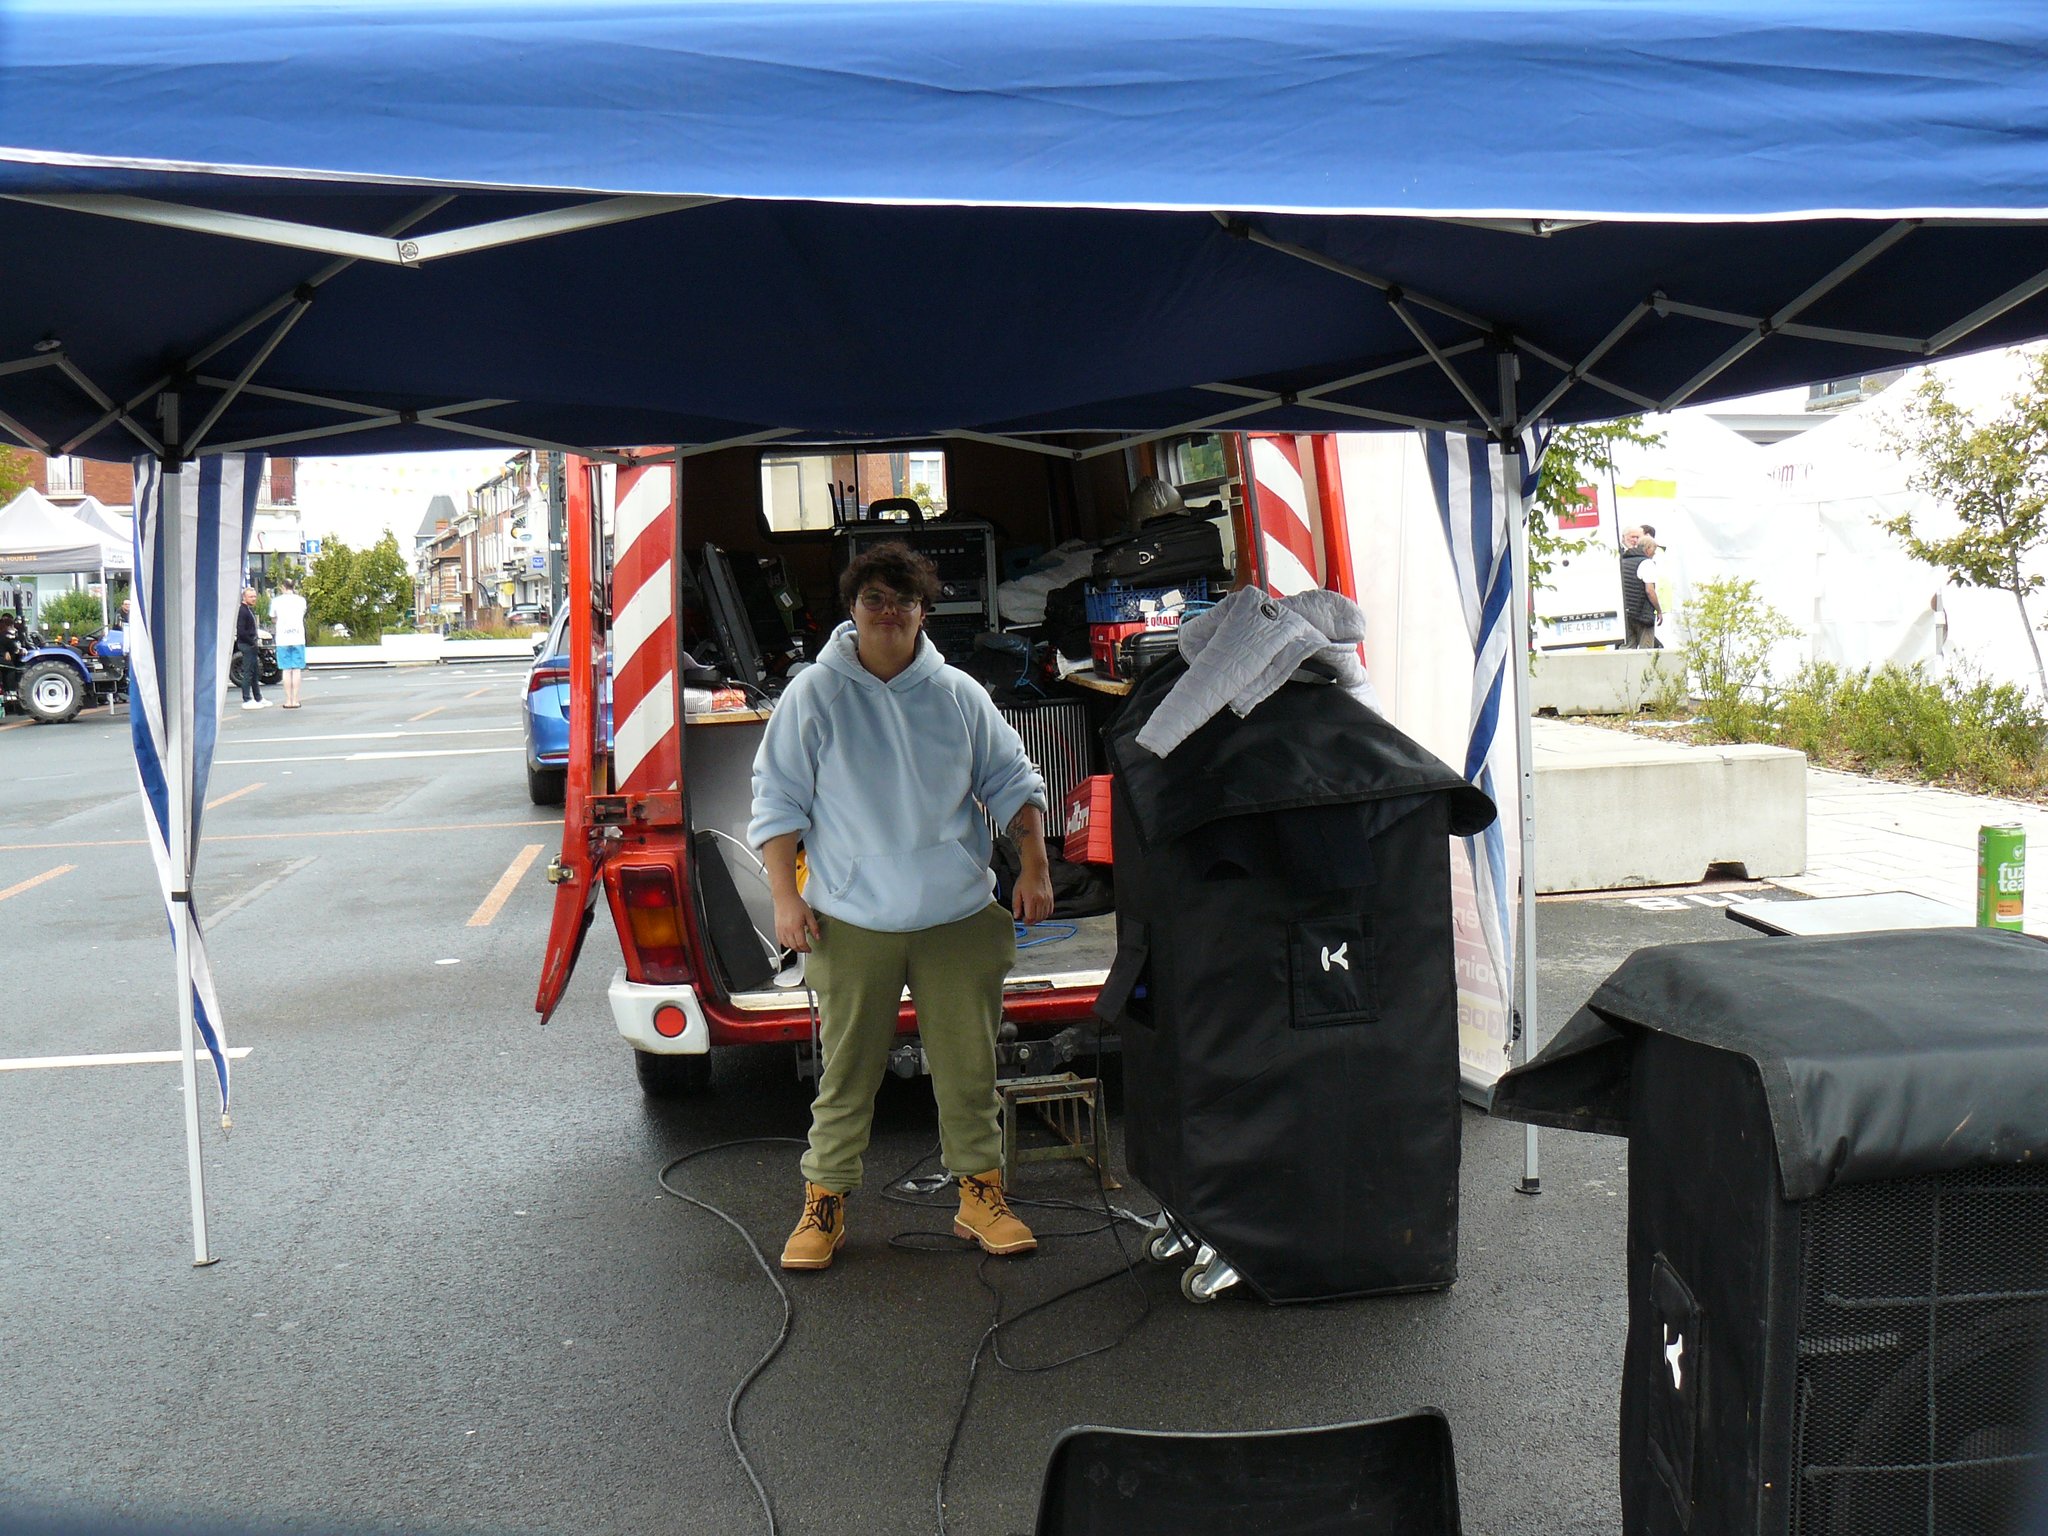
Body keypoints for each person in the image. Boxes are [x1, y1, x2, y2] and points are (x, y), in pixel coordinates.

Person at [750, 541, 1055, 1271]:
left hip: (957, 917)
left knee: (969, 1070)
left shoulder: (958, 694)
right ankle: (824, 1204)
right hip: (852, 919)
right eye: (875, 600)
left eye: (904, 601)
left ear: (925, 612)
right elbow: (778, 801)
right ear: (852, 610)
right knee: (846, 1075)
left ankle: (981, 1197)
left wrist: (1036, 870)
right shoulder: (813, 695)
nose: (889, 613)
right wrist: (785, 898)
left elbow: (1013, 783)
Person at [271, 577, 309, 708]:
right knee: (296, 669)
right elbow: (302, 614)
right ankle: (296, 699)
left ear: (282, 587)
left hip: (283, 638)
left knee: (286, 670)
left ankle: (288, 700)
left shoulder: (276, 601)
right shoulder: (301, 601)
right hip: (298, 637)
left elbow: (273, 617)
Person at [234, 587, 269, 709]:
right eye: (251, 597)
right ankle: (247, 699)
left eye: (254, 596)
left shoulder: (248, 610)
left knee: (254, 672)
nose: (254, 599)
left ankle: (258, 697)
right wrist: (251, 642)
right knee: (248, 672)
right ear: (244, 597)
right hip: (247, 645)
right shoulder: (242, 611)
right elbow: (241, 631)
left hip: (251, 645)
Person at [1635, 538, 1666, 647]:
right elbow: (1649, 590)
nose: (1654, 553)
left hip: (1627, 615)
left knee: (1628, 648)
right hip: (1643, 613)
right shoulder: (1647, 563)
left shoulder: (1625, 561)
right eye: (1654, 549)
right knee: (1646, 649)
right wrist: (1659, 610)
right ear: (1648, 549)